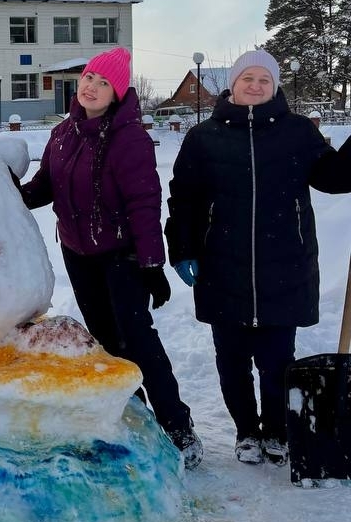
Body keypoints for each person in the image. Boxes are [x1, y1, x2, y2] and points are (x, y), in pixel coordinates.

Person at [21, 47, 203, 469]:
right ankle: (135, 418)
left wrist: (152, 265)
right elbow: (45, 186)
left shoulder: (129, 138)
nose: (92, 87)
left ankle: (178, 425)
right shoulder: (63, 133)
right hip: (78, 254)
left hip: (122, 256)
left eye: (104, 83)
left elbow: (144, 203)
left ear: (117, 94)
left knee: (138, 340)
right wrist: (7, 190)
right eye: (89, 78)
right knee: (105, 342)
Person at [166, 49, 351, 465]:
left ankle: (277, 432)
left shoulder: (298, 132)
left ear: (274, 86)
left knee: (277, 361)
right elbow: (184, 199)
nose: (255, 85)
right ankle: (247, 431)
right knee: (231, 362)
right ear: (234, 84)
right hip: (221, 267)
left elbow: (334, 178)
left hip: (284, 266)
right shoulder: (204, 137)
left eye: (264, 80)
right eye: (248, 78)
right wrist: (182, 249)